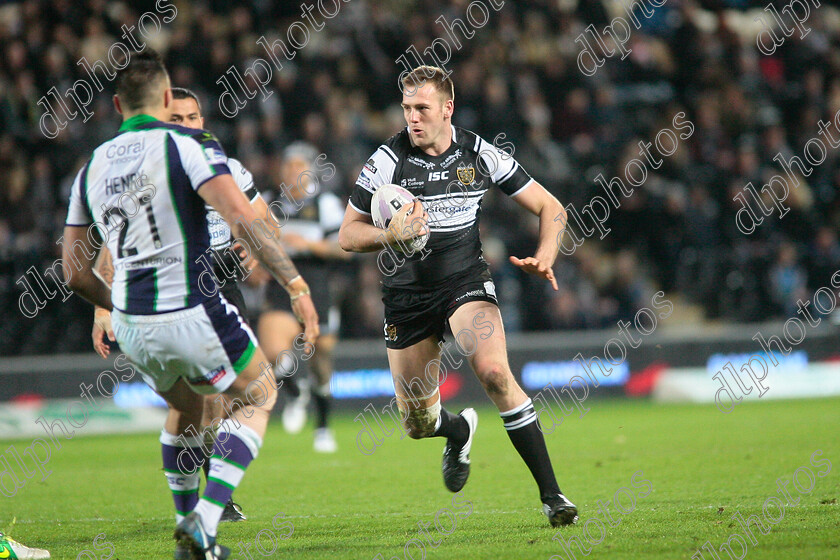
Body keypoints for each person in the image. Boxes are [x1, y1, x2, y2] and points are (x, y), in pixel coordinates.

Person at [62, 50, 319, 559]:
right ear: (164, 98)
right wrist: (298, 288)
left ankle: (188, 533)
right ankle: (206, 516)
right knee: (262, 392)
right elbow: (246, 220)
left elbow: (73, 271)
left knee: (187, 409)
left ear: (117, 104)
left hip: (134, 322)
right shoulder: (188, 146)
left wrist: (114, 304)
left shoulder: (90, 166)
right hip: (191, 306)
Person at [337, 65, 578, 527]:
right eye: (407, 108)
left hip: (464, 280)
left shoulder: (479, 153)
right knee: (417, 424)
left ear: (447, 108)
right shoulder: (387, 160)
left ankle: (553, 497)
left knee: (493, 372)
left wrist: (546, 253)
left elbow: (551, 207)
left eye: (421, 108)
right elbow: (347, 235)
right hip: (407, 295)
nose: (412, 117)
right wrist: (389, 234)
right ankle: (459, 428)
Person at [90, 87, 267, 525]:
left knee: (219, 403)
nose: (187, 125)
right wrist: (101, 309)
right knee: (208, 404)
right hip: (173, 294)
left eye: (193, 117)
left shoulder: (229, 169)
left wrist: (254, 248)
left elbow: (262, 221)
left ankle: (199, 508)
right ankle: (208, 506)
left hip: (224, 289)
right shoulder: (150, 176)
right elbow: (112, 250)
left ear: (203, 120)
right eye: (178, 118)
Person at [256, 142, 349, 452]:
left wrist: (308, 245)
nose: (292, 171)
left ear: (310, 170)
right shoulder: (269, 202)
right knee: (273, 349)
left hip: (317, 283)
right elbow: (253, 241)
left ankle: (322, 427)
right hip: (281, 284)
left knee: (322, 357)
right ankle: (296, 388)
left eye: (298, 165)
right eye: (287, 165)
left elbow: (343, 247)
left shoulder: (326, 204)